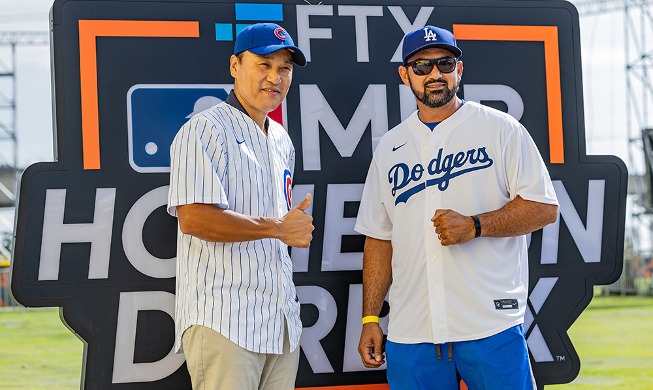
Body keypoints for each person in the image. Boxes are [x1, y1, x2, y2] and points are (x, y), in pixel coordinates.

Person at [354, 25, 559, 389]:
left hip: (489, 324)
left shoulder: (500, 128)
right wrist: (371, 316)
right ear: (405, 76)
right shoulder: (390, 146)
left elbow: (543, 207)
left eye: (445, 64)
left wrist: (476, 225)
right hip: (412, 329)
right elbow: (378, 239)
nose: (435, 74)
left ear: (458, 71)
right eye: (422, 66)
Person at [167, 23, 314, 389]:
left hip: (279, 324)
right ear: (235, 66)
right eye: (263, 64)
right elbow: (195, 219)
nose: (275, 77)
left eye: (284, 68)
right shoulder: (204, 129)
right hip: (224, 321)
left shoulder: (281, 139)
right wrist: (278, 228)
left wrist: (283, 229)